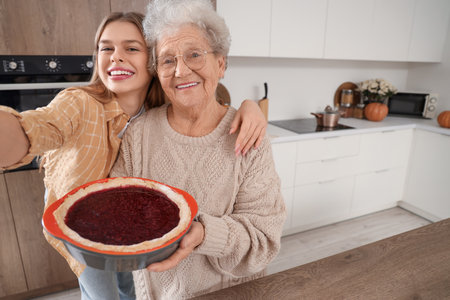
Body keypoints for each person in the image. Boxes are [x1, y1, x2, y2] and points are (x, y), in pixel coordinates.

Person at [0, 12, 268, 300]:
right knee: (102, 294)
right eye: (106, 48)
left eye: (131, 48)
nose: (116, 57)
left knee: (131, 286)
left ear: (152, 62)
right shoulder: (78, 103)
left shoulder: (159, 108)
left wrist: (249, 105)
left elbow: (208, 100)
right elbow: (36, 128)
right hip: (85, 227)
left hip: (130, 226)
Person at [110, 1, 286, 298]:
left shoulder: (249, 138)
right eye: (167, 60)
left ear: (221, 64)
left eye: (194, 54)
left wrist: (204, 233)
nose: (180, 70)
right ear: (157, 72)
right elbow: (119, 209)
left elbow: (263, 239)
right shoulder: (137, 135)